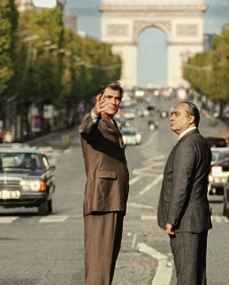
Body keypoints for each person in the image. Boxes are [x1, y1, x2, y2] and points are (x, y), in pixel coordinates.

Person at [78, 81, 129, 285]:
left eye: (117, 98)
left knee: (106, 264)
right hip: (102, 200)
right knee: (99, 265)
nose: (113, 102)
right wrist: (94, 113)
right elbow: (86, 130)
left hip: (113, 199)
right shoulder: (96, 122)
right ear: (99, 99)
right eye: (108, 97)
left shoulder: (112, 123)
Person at [157, 101, 212, 285]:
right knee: (197, 276)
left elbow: (181, 184)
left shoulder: (186, 145)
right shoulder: (200, 141)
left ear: (191, 119)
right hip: (196, 218)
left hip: (185, 221)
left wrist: (172, 219)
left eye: (177, 114)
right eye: (172, 114)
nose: (172, 118)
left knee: (187, 276)